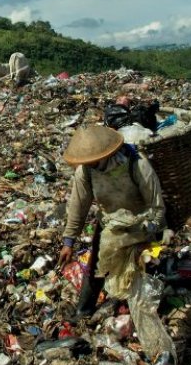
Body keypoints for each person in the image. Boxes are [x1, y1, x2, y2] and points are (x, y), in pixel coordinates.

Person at [57, 125, 169, 321]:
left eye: (93, 160)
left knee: (142, 269)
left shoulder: (137, 165)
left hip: (142, 223)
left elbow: (157, 207)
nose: (89, 164)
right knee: (97, 267)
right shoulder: (86, 172)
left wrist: (147, 234)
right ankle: (83, 312)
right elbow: (78, 206)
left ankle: (148, 314)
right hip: (110, 223)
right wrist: (68, 241)